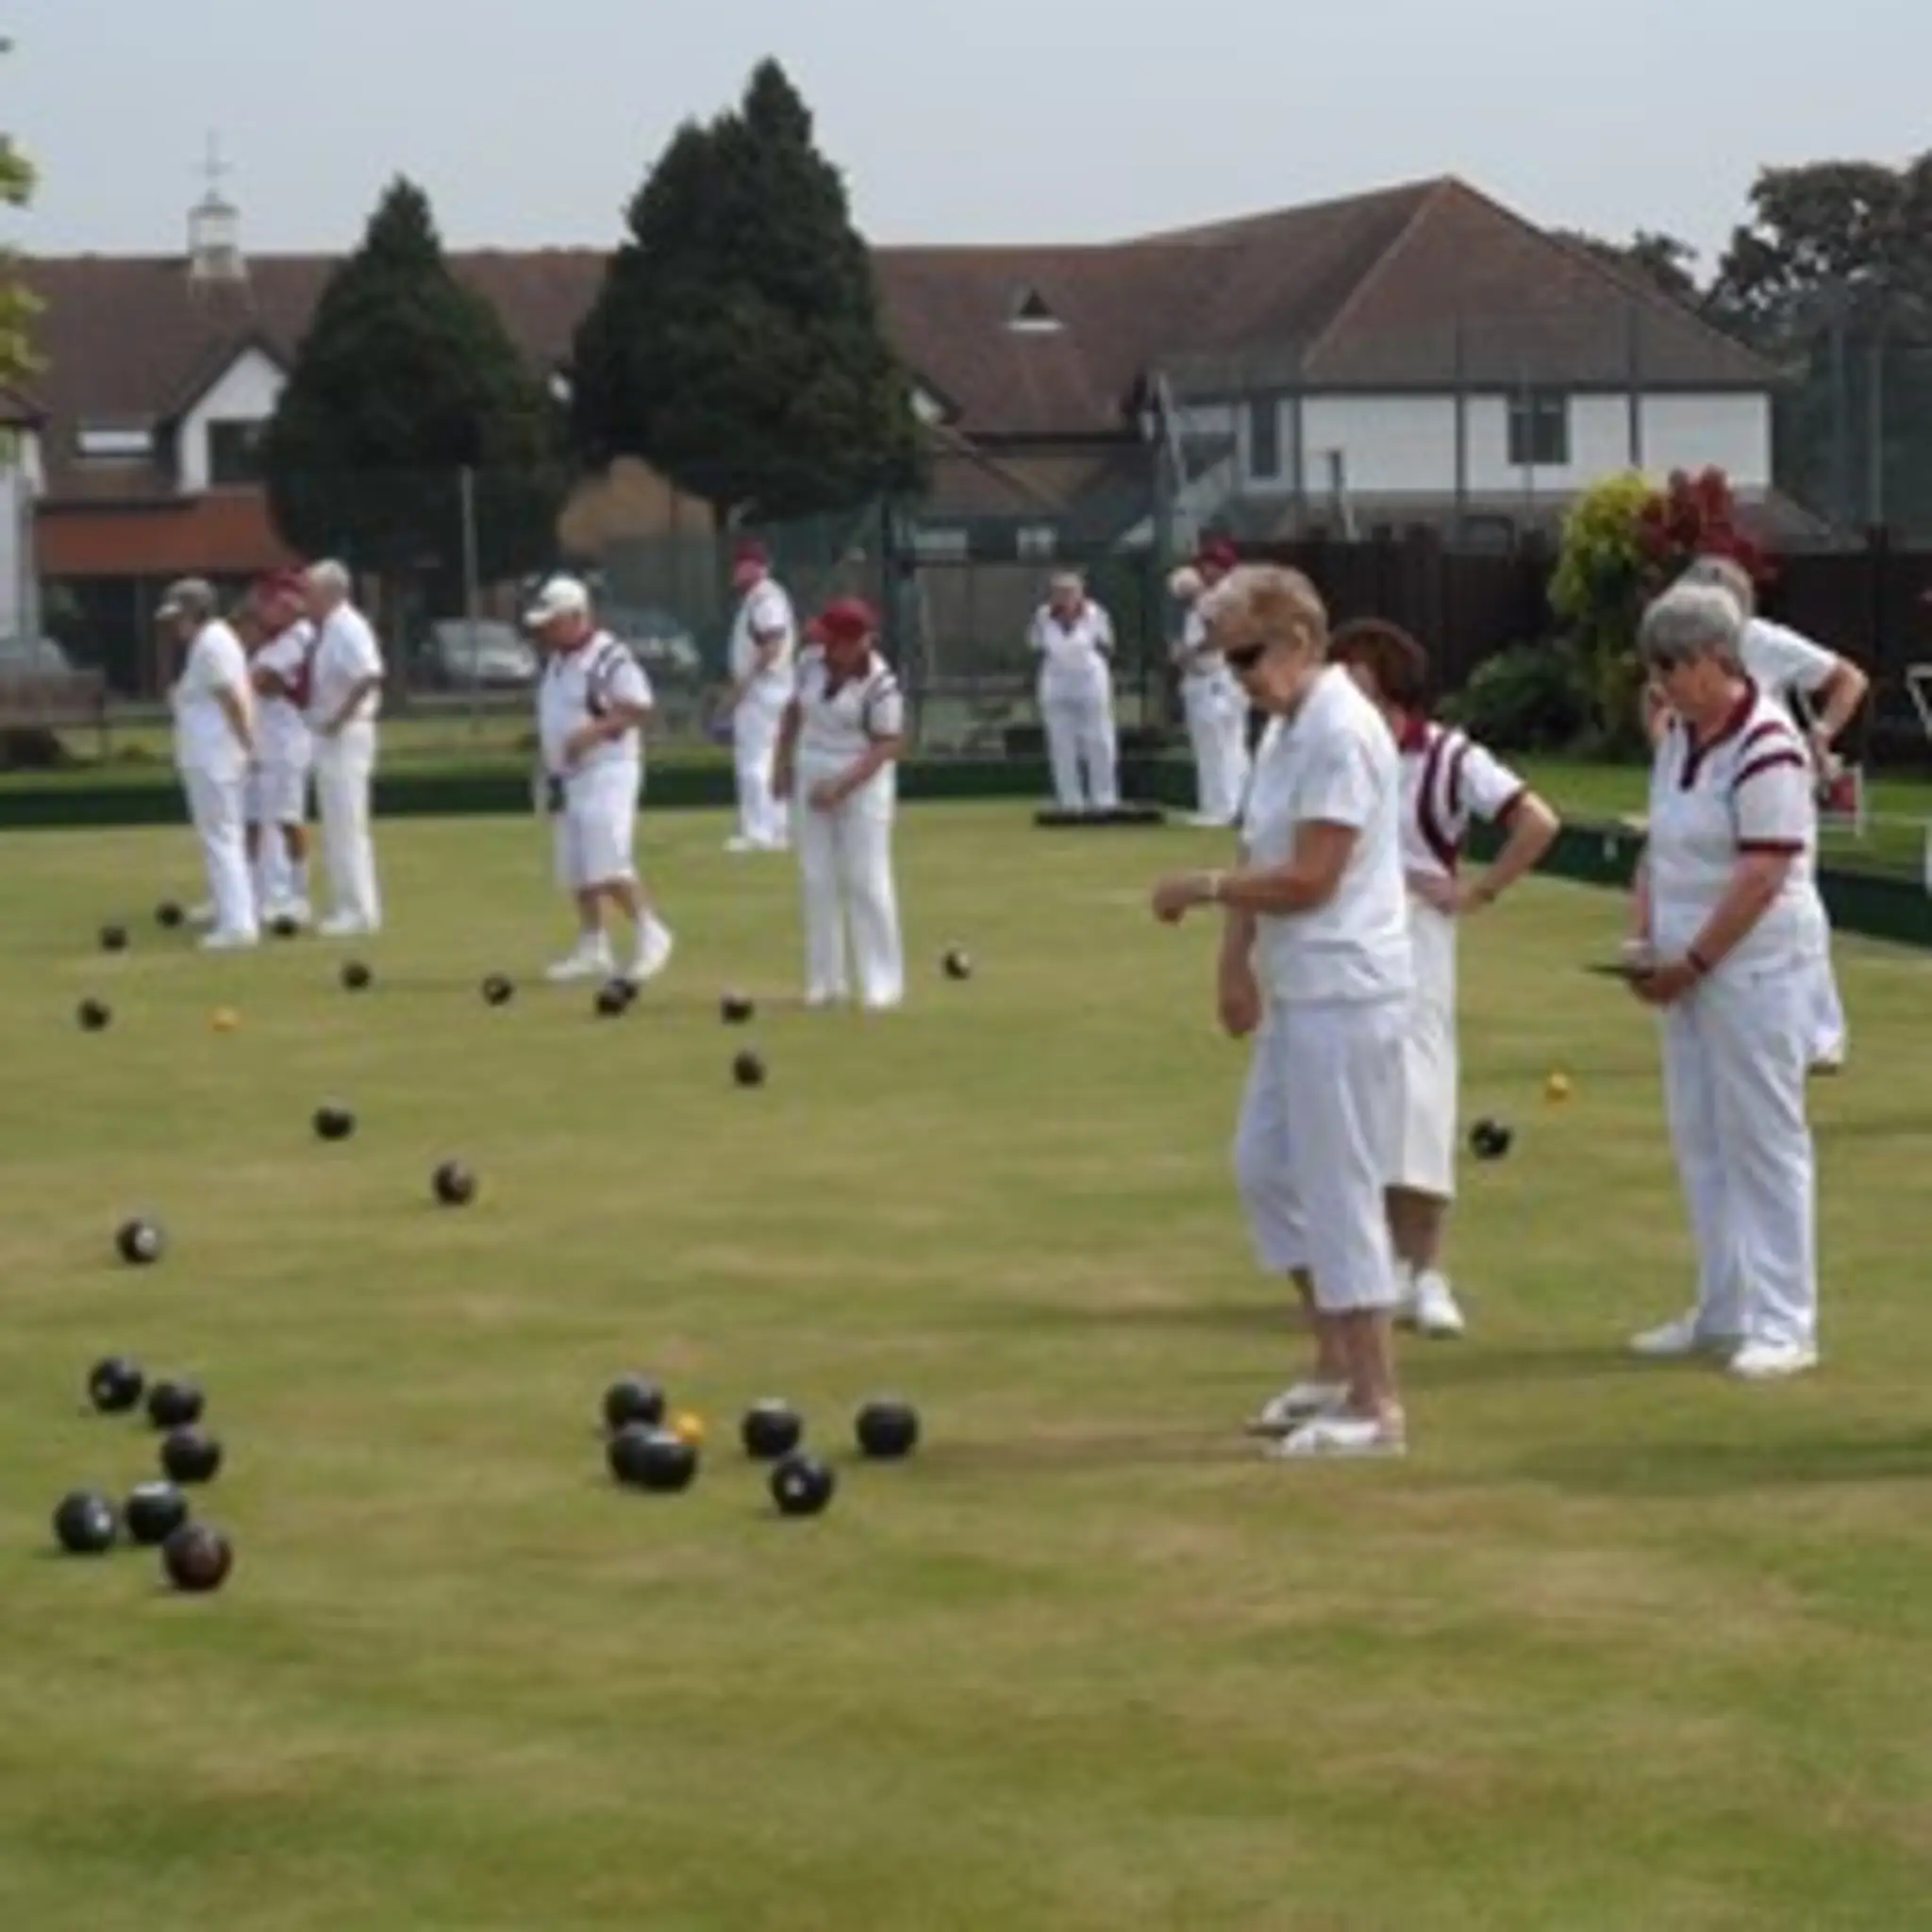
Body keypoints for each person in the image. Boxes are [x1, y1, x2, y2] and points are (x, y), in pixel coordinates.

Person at [1151, 564, 1413, 1457]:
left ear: (1301, 640)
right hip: (1298, 989)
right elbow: (1260, 844)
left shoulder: (1342, 730)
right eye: (1228, 665)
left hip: (1349, 987)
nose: (1240, 680)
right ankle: (1335, 1363)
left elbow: (1310, 877)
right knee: (1265, 1169)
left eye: (1249, 657)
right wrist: (1234, 963)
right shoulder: (1284, 729)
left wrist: (1203, 889)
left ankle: (1378, 1407)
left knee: (1341, 1192)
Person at [1328, 618, 1560, 1339]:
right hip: (1338, 936)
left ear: (1390, 685)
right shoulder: (1326, 751)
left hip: (1416, 937)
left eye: (1357, 678)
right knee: (1353, 1106)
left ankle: (1428, 1274)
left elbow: (1537, 822)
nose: (1341, 691)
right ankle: (1381, 1267)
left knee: (1421, 1104)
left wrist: (1478, 892)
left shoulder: (1448, 756)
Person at [1624, 580, 1827, 1380]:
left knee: (1765, 1139)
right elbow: (1664, 846)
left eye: (1673, 665)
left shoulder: (1768, 745)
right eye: (1655, 667)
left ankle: (1787, 1321)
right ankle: (1724, 1305)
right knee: (1701, 1135)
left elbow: (1763, 870)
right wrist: (1646, 938)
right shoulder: (1680, 737)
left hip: (1755, 967)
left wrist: (1696, 960)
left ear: (1718, 660)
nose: (1663, 682)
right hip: (1685, 967)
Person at [1645, 553, 1867, 1073]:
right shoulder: (1676, 660)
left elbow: (1849, 679)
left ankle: (1820, 1029)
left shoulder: (1764, 642)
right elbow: (1656, 708)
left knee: (1787, 893)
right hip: (1714, 771)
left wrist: (1821, 733)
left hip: (1769, 779)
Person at [526, 575, 675, 987]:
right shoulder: (557, 661)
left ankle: (651, 932)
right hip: (568, 775)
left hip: (609, 770)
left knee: (606, 858)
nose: (545, 631)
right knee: (575, 865)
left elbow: (639, 708)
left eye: (552, 622)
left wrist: (590, 734)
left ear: (577, 617)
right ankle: (594, 945)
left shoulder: (610, 656)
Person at [772, 598, 907, 1010]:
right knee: (817, 878)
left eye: (832, 639)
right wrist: (782, 763)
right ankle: (826, 981)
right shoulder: (810, 662)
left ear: (856, 642)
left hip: (861, 777)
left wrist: (842, 786)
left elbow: (888, 744)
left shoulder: (882, 684)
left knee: (866, 878)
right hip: (812, 765)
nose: (824, 645)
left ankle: (882, 983)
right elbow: (793, 711)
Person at [161, 576, 258, 951]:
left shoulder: (212, 643)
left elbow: (228, 697)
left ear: (194, 612)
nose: (175, 626)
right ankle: (228, 908)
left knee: (222, 837)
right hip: (211, 754)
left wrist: (248, 744)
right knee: (221, 836)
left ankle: (238, 925)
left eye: (179, 616)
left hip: (214, 756)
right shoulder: (212, 641)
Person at [302, 559, 385, 938]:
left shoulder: (349, 627)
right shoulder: (330, 629)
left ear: (330, 592)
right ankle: (345, 904)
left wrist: (339, 717)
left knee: (348, 822)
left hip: (347, 735)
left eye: (310, 592)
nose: (306, 599)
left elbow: (369, 674)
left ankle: (361, 909)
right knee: (335, 823)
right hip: (330, 734)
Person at [245, 569, 316, 926]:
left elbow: (258, 681)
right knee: (256, 820)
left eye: (268, 601)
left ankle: (298, 896)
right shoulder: (273, 640)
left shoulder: (299, 638)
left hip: (287, 741)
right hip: (263, 742)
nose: (260, 608)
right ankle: (258, 894)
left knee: (288, 819)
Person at [721, 538, 797, 854]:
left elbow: (772, 644)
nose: (735, 572)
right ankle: (777, 826)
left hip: (764, 688)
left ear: (752, 567)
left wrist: (744, 685)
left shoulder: (765, 598)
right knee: (771, 757)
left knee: (753, 760)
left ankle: (758, 830)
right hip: (771, 687)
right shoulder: (762, 597)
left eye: (739, 565)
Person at [1168, 538, 1250, 826]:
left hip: (1216, 679)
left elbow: (1221, 635)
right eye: (1203, 564)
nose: (1205, 570)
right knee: (1222, 745)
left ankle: (1224, 809)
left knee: (1219, 745)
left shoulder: (1223, 597)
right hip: (1214, 679)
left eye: (1211, 565)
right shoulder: (1212, 597)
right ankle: (1224, 806)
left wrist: (1190, 651)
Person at [1029, 571, 1119, 815]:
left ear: (1081, 594)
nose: (1065, 597)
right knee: (1061, 743)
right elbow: (1037, 647)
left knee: (1099, 741)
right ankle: (1070, 800)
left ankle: (1104, 799)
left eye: (1071, 592)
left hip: (1090, 683)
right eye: (1059, 592)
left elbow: (1107, 646)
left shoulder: (1096, 614)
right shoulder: (1042, 616)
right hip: (1056, 686)